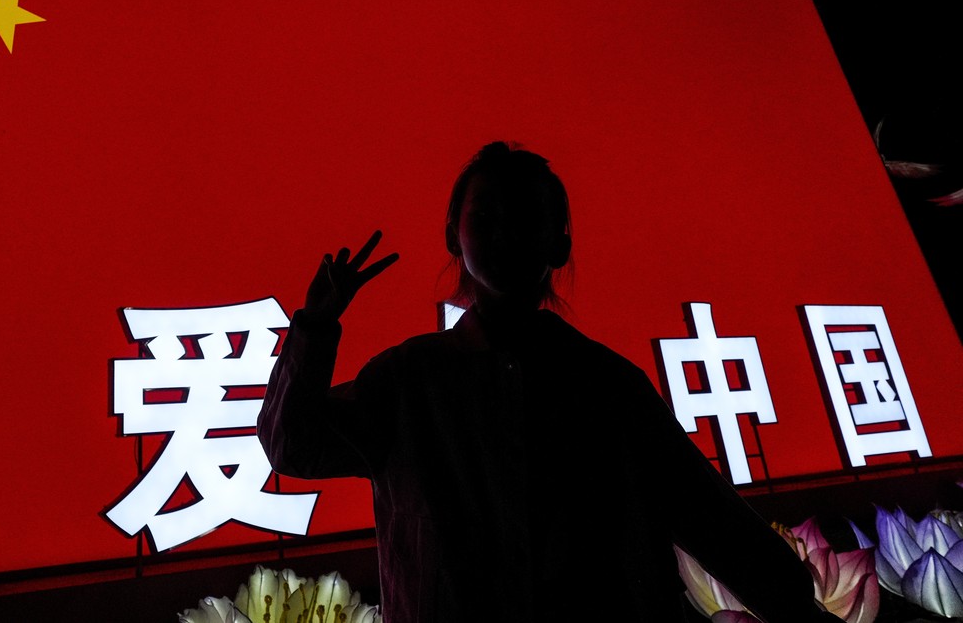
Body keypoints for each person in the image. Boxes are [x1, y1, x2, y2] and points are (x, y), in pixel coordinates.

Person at [258, 142, 836, 622]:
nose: (504, 232)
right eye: (486, 216)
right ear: (453, 235)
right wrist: (314, 328)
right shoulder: (408, 379)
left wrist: (796, 605)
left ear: (558, 243)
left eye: (524, 215)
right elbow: (293, 446)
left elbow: (709, 517)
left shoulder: (610, 386)